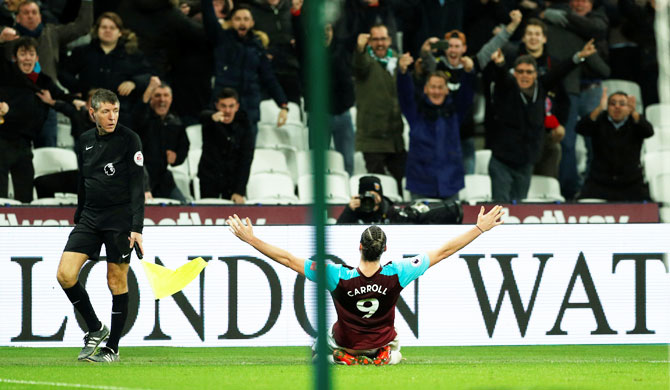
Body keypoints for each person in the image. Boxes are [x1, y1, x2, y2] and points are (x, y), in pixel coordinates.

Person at [227, 205, 505, 365]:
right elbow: (443, 252)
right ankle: (382, 355)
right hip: (380, 342)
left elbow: (287, 259)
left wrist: (251, 240)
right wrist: (479, 228)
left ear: (359, 246)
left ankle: (340, 357)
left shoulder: (336, 275)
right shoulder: (399, 272)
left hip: (347, 343)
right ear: (385, 249)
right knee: (392, 346)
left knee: (319, 344)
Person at [56, 89, 145, 363]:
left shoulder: (130, 139)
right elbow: (84, 181)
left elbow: (137, 186)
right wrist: (79, 216)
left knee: (115, 280)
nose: (112, 116)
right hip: (90, 218)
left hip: (119, 218)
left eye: (115, 110)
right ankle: (95, 328)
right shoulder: (84, 140)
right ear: (92, 112)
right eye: (106, 111)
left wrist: (137, 227)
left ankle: (112, 348)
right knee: (65, 275)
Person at [487, 39, 596, 203]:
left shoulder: (542, 87)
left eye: (529, 72)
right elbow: (502, 77)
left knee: (519, 208)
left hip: (526, 161)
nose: (524, 75)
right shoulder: (508, 87)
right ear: (514, 73)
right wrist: (500, 64)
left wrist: (579, 56)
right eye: (520, 71)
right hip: (503, 161)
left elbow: (559, 71)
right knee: (500, 208)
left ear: (536, 74)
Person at [201, 0, 289, 137]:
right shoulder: (221, 39)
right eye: (238, 19)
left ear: (252, 23)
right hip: (223, 110)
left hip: (249, 112)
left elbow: (269, 78)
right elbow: (208, 17)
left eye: (246, 19)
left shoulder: (258, 47)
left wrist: (283, 104)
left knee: (246, 155)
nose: (242, 23)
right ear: (231, 21)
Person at [0, 36, 72, 203]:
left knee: (25, 194)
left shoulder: (43, 81)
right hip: (2, 141)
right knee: (1, 197)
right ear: (14, 58)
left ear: (37, 58)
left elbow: (62, 96)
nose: (27, 58)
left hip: (25, 144)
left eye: (31, 54)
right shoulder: (6, 74)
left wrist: (75, 101)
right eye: (23, 54)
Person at [59, 12, 152, 127]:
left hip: (121, 116)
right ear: (97, 30)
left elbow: (149, 75)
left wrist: (134, 83)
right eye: (104, 27)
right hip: (89, 114)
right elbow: (63, 73)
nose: (108, 30)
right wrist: (83, 88)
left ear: (120, 33)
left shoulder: (132, 56)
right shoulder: (83, 52)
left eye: (112, 28)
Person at [397, 54, 467, 201]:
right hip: (420, 185)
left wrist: (469, 72)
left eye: (440, 87)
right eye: (433, 87)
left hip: (451, 184)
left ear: (447, 90)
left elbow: (467, 94)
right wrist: (403, 73)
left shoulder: (455, 113)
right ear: (425, 89)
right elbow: (405, 96)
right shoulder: (415, 113)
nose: (436, 91)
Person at [353, 24, 405, 195]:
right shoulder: (365, 60)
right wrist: (360, 49)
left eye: (383, 39)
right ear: (369, 43)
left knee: (401, 183)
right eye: (375, 39)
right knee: (378, 186)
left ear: (390, 40)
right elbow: (359, 64)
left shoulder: (397, 60)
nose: (380, 43)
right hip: (371, 138)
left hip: (395, 136)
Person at [576, 88, 653, 201]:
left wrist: (634, 112)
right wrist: (599, 109)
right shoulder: (600, 120)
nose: (617, 107)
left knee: (648, 209)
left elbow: (649, 131)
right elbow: (580, 128)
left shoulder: (635, 122)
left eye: (622, 104)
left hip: (631, 183)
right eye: (612, 104)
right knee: (581, 205)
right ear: (607, 107)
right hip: (599, 183)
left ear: (628, 108)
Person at [133, 76, 190, 203]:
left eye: (166, 95)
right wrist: (149, 90)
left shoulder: (175, 121)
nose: (162, 100)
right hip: (140, 176)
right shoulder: (143, 117)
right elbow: (137, 118)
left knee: (184, 206)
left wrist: (177, 157)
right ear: (151, 99)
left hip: (163, 178)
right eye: (157, 95)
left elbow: (184, 146)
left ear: (171, 98)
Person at [197, 88, 254, 203]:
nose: (227, 110)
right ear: (217, 106)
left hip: (232, 180)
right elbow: (202, 116)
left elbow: (246, 159)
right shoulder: (210, 122)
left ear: (237, 107)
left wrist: (239, 191)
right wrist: (212, 117)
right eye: (223, 106)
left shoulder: (245, 126)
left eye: (231, 106)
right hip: (209, 178)